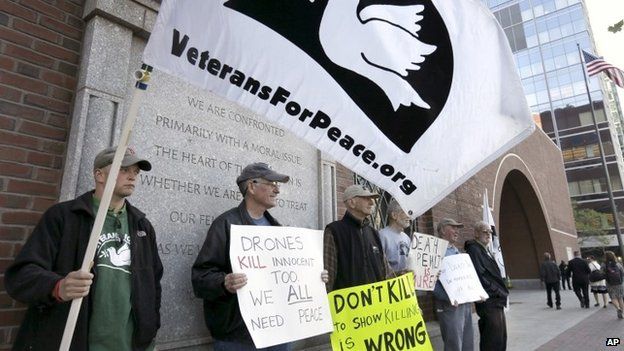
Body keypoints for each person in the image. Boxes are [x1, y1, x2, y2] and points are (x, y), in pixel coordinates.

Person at [5, 146, 163, 350]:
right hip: (75, 341)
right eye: (124, 170)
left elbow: (154, 284)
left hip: (129, 343)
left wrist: (150, 332)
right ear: (99, 175)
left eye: (136, 172)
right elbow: (20, 276)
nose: (132, 177)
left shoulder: (142, 226)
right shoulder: (64, 217)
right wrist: (58, 286)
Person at [192, 162, 327, 350]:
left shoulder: (278, 230)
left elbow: (287, 276)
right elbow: (200, 277)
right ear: (251, 187)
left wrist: (314, 278)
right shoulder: (225, 224)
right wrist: (224, 282)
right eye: (271, 183)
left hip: (279, 333)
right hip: (237, 337)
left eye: (277, 185)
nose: (277, 189)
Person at [324, 184, 389, 291]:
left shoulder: (374, 233)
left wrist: (405, 274)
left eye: (372, 199)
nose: (372, 202)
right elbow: (329, 273)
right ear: (352, 202)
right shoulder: (334, 231)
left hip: (377, 304)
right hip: (348, 305)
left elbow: (386, 272)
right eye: (366, 198)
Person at [465, 220, 509, 351]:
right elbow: (479, 275)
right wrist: (496, 291)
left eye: (490, 231)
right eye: (485, 231)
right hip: (489, 299)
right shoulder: (474, 249)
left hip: (496, 300)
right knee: (492, 338)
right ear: (476, 233)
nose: (488, 234)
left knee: (500, 336)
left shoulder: (484, 249)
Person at [432, 218, 474, 351]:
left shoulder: (456, 250)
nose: (457, 231)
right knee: (454, 345)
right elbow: (430, 282)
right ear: (443, 230)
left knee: (467, 342)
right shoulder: (435, 251)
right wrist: (447, 297)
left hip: (464, 303)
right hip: (449, 305)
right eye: (453, 228)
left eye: (458, 229)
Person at [378, 198, 412, 275]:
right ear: (394, 215)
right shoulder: (382, 235)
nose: (409, 217)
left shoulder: (406, 238)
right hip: (391, 283)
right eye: (405, 212)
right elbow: (380, 263)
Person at [604, 251, 624, 319]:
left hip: (609, 283)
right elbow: (622, 272)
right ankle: (623, 313)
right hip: (619, 283)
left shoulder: (604, 265)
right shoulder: (618, 264)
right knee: (620, 298)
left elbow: (601, 273)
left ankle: (618, 308)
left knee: (613, 297)